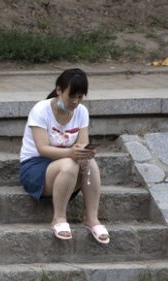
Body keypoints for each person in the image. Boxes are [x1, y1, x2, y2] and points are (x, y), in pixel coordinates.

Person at [19, 68, 109, 244]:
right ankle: (59, 218)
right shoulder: (40, 110)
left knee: (89, 164)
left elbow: (82, 143)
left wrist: (86, 151)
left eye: (80, 97)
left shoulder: (81, 112)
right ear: (59, 90)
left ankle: (92, 219)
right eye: (71, 96)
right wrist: (71, 153)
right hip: (36, 168)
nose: (75, 102)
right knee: (69, 164)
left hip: (67, 167)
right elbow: (43, 148)